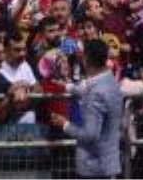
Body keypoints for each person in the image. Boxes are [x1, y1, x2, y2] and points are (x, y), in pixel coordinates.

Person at [50, 38, 124, 179]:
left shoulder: (96, 92)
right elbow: (87, 90)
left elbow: (89, 135)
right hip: (108, 164)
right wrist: (68, 86)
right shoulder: (110, 82)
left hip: (94, 167)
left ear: (86, 58)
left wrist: (64, 124)